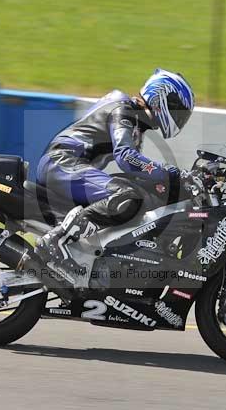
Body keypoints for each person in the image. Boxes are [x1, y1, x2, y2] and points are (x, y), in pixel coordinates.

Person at [34, 68, 194, 275]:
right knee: (127, 196)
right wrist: (167, 173)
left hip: (70, 167)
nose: (178, 117)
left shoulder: (135, 124)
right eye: (176, 109)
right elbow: (126, 157)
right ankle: (57, 240)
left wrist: (170, 186)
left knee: (133, 196)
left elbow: (137, 173)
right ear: (160, 97)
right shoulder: (123, 108)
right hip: (61, 162)